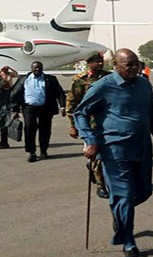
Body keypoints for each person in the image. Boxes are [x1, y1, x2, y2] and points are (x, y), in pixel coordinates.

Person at [74, 48, 153, 257]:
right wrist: (90, 140)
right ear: (116, 66)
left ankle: (119, 211)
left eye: (136, 63)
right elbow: (80, 112)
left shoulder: (144, 84)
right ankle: (128, 239)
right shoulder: (102, 86)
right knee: (125, 195)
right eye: (129, 64)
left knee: (144, 192)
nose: (134, 68)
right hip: (114, 149)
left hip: (142, 147)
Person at [66, 51, 111, 199]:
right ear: (89, 63)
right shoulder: (80, 80)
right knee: (96, 155)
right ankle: (100, 185)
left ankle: (98, 173)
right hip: (90, 123)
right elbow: (72, 103)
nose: (100, 63)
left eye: (101, 60)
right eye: (96, 61)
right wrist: (73, 125)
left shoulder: (109, 77)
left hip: (109, 121)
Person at [10, 61, 66, 162]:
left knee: (45, 130)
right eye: (35, 68)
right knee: (29, 129)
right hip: (29, 108)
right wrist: (15, 110)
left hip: (45, 108)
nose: (37, 69)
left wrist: (62, 107)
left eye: (39, 68)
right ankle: (32, 153)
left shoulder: (50, 79)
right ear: (31, 68)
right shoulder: (24, 80)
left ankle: (44, 151)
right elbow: (15, 94)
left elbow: (60, 92)